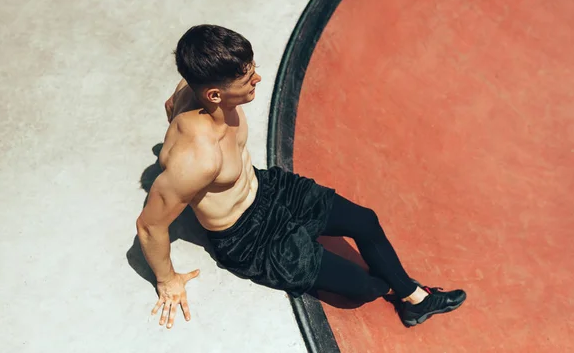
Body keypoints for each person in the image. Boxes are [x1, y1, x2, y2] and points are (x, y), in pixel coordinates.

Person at [136, 24, 466, 330]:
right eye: (247, 79)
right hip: (248, 237)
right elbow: (150, 226)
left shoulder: (190, 86)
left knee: (365, 221)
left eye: (253, 70)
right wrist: (167, 279)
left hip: (266, 188)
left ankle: (414, 299)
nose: (258, 79)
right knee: (366, 288)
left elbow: (171, 104)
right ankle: (389, 287)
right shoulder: (198, 157)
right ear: (214, 95)